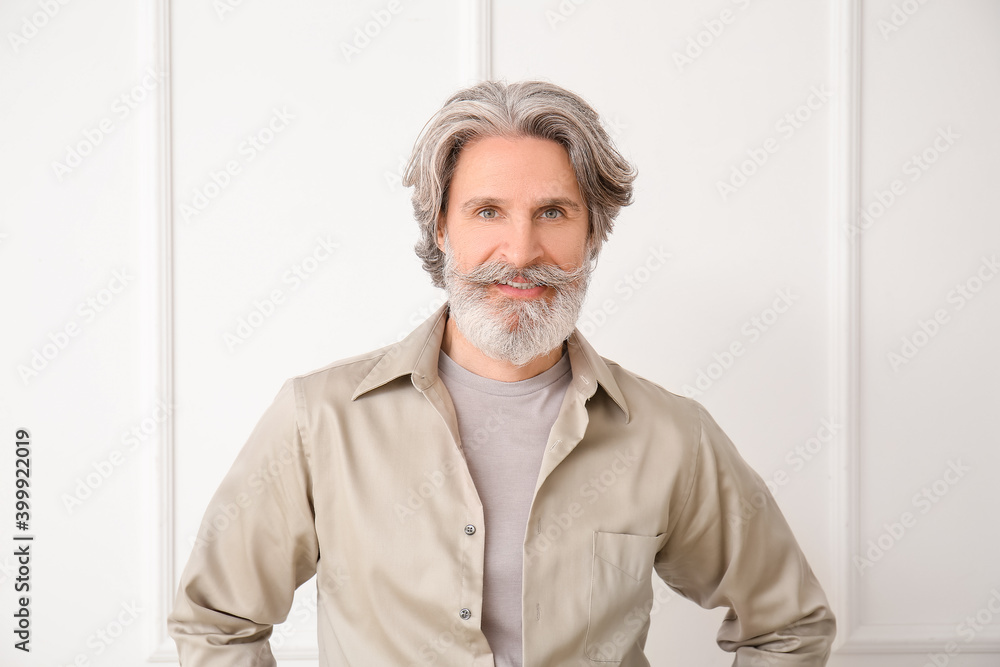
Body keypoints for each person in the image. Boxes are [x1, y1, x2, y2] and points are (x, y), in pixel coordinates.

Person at [168, 80, 836, 666]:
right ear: (441, 228)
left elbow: (788, 625)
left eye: (553, 212)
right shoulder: (318, 419)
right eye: (488, 211)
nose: (520, 252)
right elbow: (216, 623)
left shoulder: (670, 434)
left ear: (593, 233)